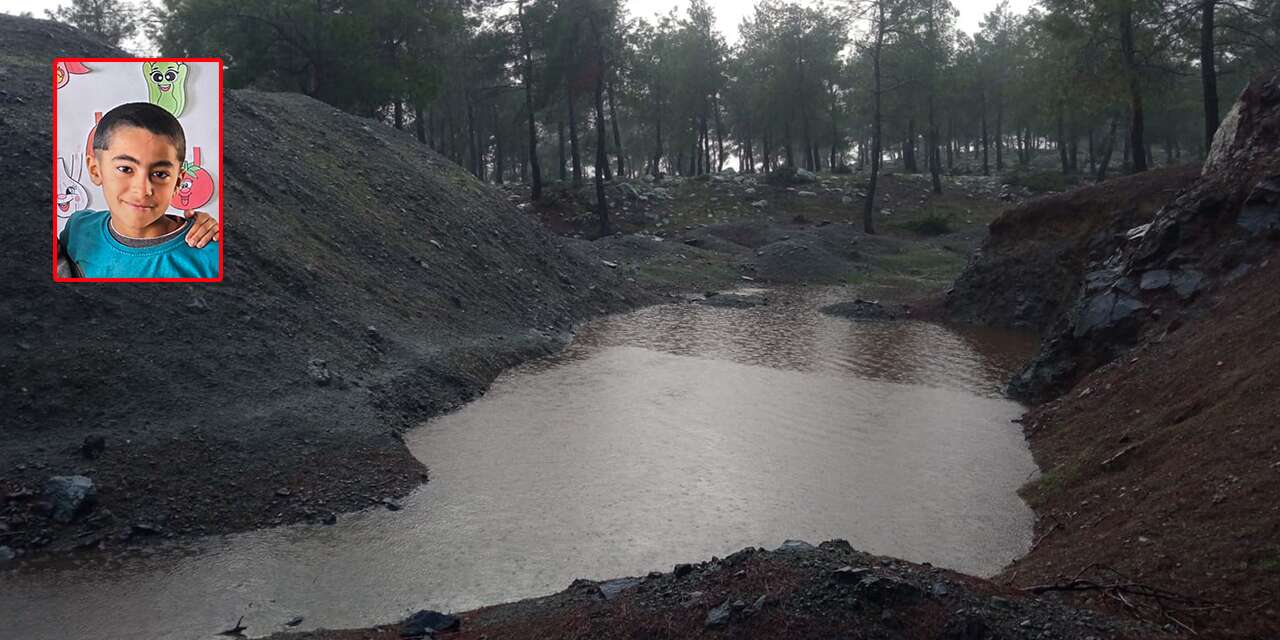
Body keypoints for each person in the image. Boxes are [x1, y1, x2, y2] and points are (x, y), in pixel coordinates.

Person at [57, 102, 219, 279]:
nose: (143, 189)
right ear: (96, 170)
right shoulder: (78, 228)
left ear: (177, 182)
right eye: (125, 169)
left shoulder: (211, 257)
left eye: (160, 174)